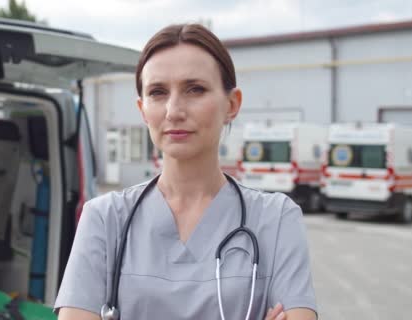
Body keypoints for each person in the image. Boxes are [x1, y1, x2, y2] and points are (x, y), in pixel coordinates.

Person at [55, 23, 318, 320]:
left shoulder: (277, 219)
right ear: (143, 110)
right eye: (158, 92)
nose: (174, 110)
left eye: (195, 89)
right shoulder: (104, 219)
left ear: (232, 104)